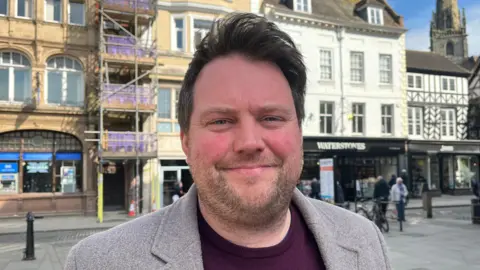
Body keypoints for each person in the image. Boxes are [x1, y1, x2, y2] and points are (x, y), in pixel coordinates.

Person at [64, 13, 392, 270]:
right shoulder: (97, 262)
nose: (249, 142)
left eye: (271, 118)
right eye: (221, 121)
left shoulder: (366, 241)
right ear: (186, 142)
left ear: (299, 132)